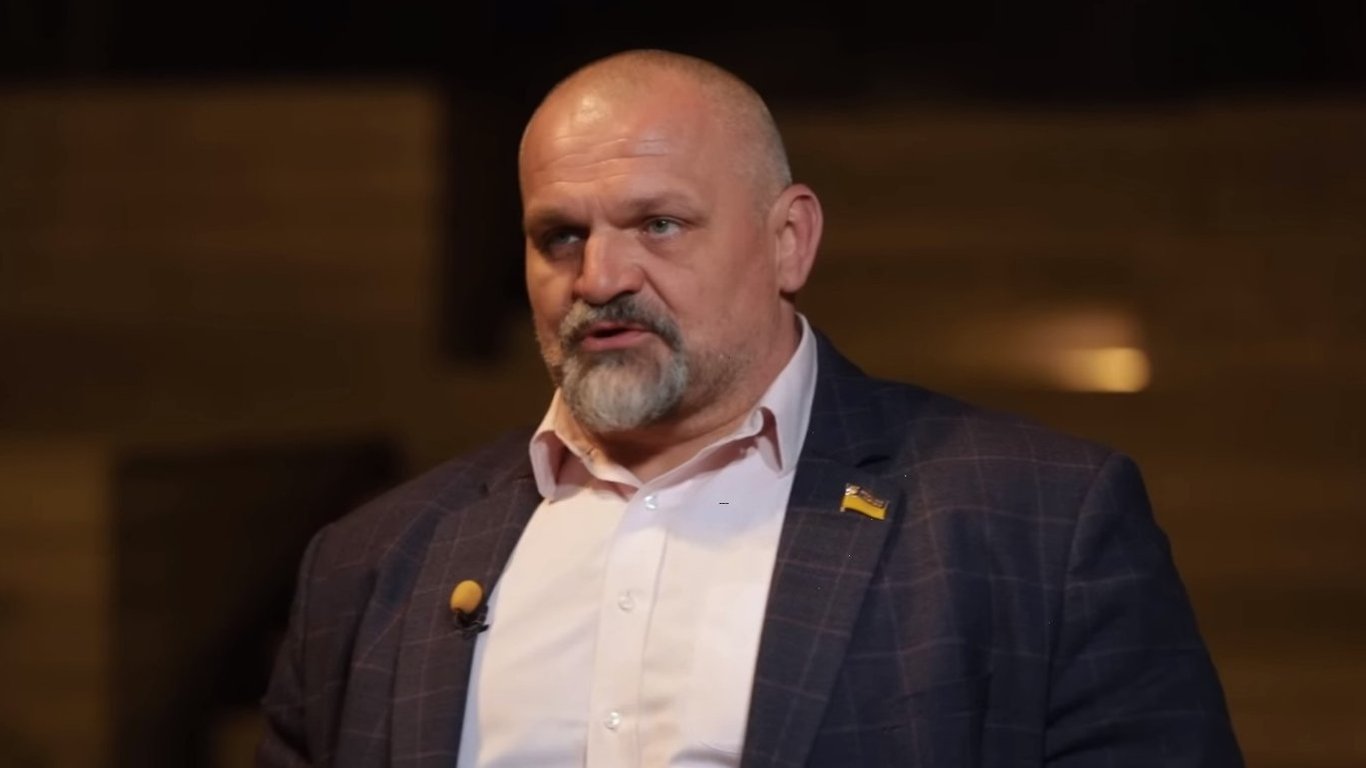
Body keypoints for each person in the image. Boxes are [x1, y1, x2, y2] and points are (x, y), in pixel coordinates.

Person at [258, 49, 1242, 767]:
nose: (600, 276)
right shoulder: (371, 562)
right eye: (559, 236)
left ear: (788, 240)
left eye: (659, 223)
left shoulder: (1038, 525)